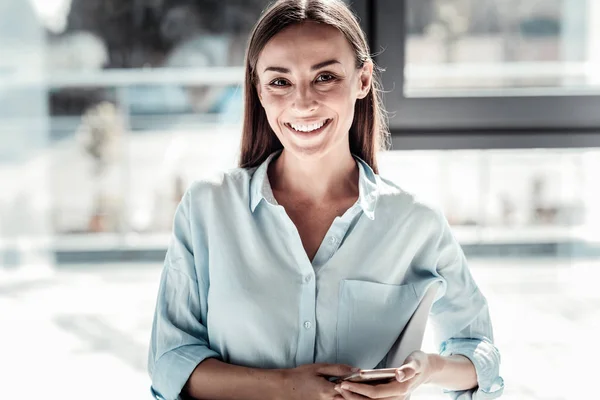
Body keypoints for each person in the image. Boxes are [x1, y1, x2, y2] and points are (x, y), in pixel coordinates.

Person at [147, 1, 504, 399]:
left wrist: (428, 369)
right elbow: (171, 362)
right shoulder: (207, 208)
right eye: (280, 82)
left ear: (363, 80)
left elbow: (479, 356)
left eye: (325, 77)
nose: (303, 103)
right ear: (258, 89)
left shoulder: (415, 221)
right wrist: (286, 387)